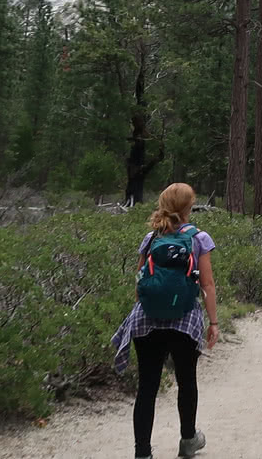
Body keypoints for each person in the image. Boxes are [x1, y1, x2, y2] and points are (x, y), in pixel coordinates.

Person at [110, 182, 216, 459]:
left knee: (147, 386)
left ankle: (142, 452)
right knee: (186, 380)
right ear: (188, 206)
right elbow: (208, 285)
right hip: (185, 319)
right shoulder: (198, 238)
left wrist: (145, 310)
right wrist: (213, 323)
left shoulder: (150, 238)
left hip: (147, 320)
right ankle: (188, 441)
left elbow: (139, 281)